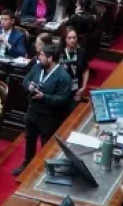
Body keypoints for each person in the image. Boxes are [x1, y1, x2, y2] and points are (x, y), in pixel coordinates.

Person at [14, 44, 73, 175]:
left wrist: (44, 97)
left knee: (46, 145)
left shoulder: (63, 77)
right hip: (32, 111)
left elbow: (63, 99)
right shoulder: (37, 67)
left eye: (41, 55)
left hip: (49, 117)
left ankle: (44, 170)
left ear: (50, 58)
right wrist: (29, 86)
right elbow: (25, 80)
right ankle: (27, 163)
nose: (38, 58)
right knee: (29, 139)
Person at [59, 27, 90, 101]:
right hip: (61, 90)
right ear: (64, 39)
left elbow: (85, 70)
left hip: (77, 89)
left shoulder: (81, 52)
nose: (72, 40)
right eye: (69, 38)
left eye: (74, 37)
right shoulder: (60, 52)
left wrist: (83, 87)